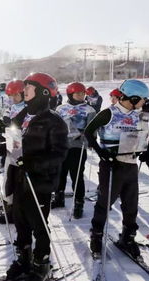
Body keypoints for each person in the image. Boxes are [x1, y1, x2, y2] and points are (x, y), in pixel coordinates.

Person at [0, 73, 68, 281]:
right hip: (19, 177)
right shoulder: (22, 116)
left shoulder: (54, 121)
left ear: (43, 91)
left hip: (39, 181)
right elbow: (15, 143)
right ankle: (24, 257)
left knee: (38, 223)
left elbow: (59, 154)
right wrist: (0, 148)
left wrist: (33, 164)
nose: (24, 90)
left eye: (28, 87)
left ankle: (41, 262)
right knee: (20, 221)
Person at [86, 79, 149, 260]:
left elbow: (142, 136)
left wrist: (145, 150)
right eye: (142, 99)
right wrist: (101, 153)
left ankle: (128, 237)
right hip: (112, 165)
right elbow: (89, 132)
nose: (144, 102)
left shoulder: (139, 114)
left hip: (130, 164)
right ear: (134, 97)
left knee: (131, 204)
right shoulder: (109, 113)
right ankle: (97, 235)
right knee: (105, 201)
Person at [52, 82, 96, 219]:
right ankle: (59, 197)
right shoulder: (60, 108)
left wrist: (89, 139)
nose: (81, 96)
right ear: (70, 94)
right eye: (78, 93)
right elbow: (55, 126)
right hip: (62, 146)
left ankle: (78, 203)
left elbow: (92, 128)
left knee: (76, 176)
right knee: (60, 173)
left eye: (83, 93)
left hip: (78, 146)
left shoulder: (89, 110)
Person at [0, 79, 26, 225]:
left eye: (16, 96)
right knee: (7, 180)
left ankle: (17, 211)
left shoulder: (27, 109)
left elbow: (19, 127)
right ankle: (10, 210)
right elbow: (9, 128)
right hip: (11, 147)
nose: (13, 99)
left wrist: (8, 125)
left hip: (23, 150)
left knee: (18, 182)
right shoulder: (12, 107)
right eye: (11, 96)